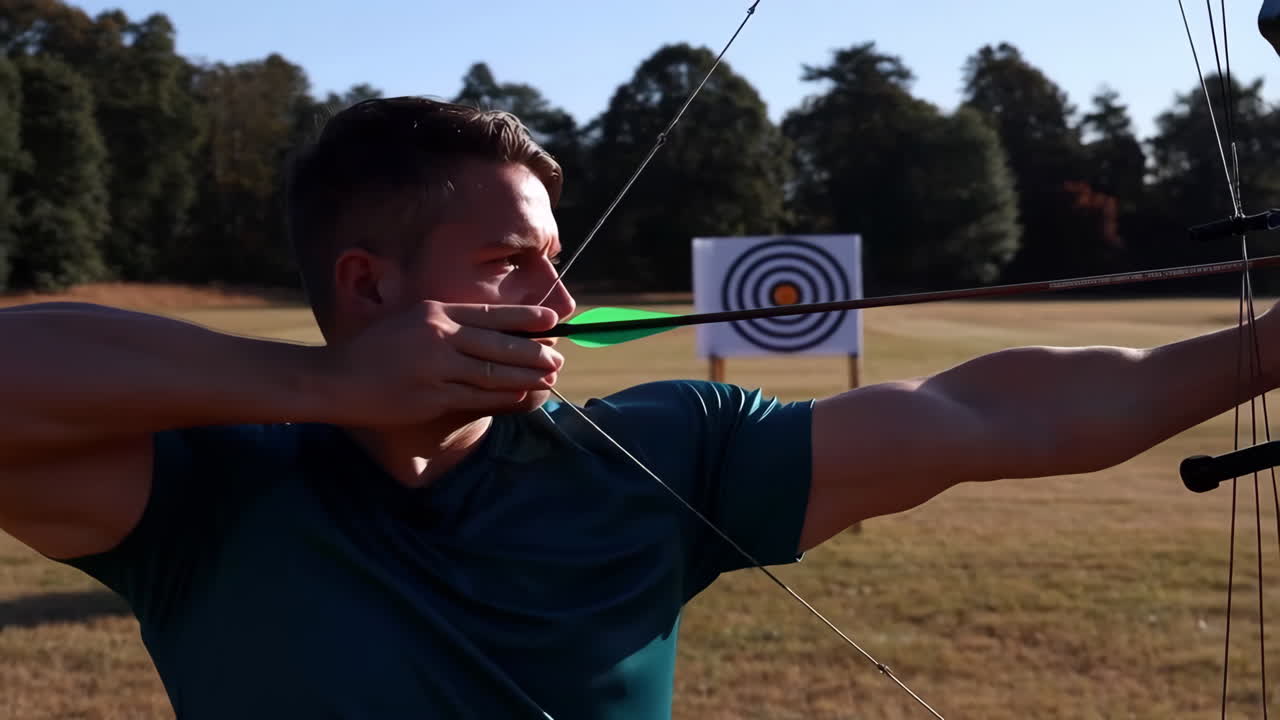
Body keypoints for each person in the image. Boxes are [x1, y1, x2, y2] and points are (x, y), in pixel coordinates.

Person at [0, 96, 1272, 719]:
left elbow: (991, 418)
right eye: (511, 263)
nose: (559, 301)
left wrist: (1267, 348)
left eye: (556, 261)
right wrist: (323, 386)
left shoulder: (661, 455)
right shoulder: (207, 492)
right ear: (368, 285)